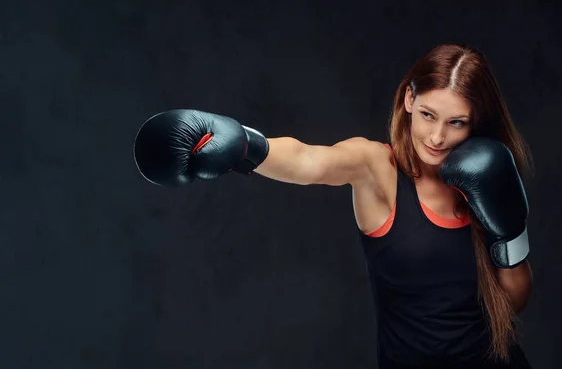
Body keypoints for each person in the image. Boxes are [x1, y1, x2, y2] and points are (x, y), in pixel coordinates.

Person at [133, 43, 534, 369]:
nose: (436, 137)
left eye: (456, 123)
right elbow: (309, 161)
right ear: (409, 98)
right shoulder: (376, 167)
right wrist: (245, 143)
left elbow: (512, 299)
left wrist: (509, 232)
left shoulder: (489, 173)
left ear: (475, 121)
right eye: (428, 115)